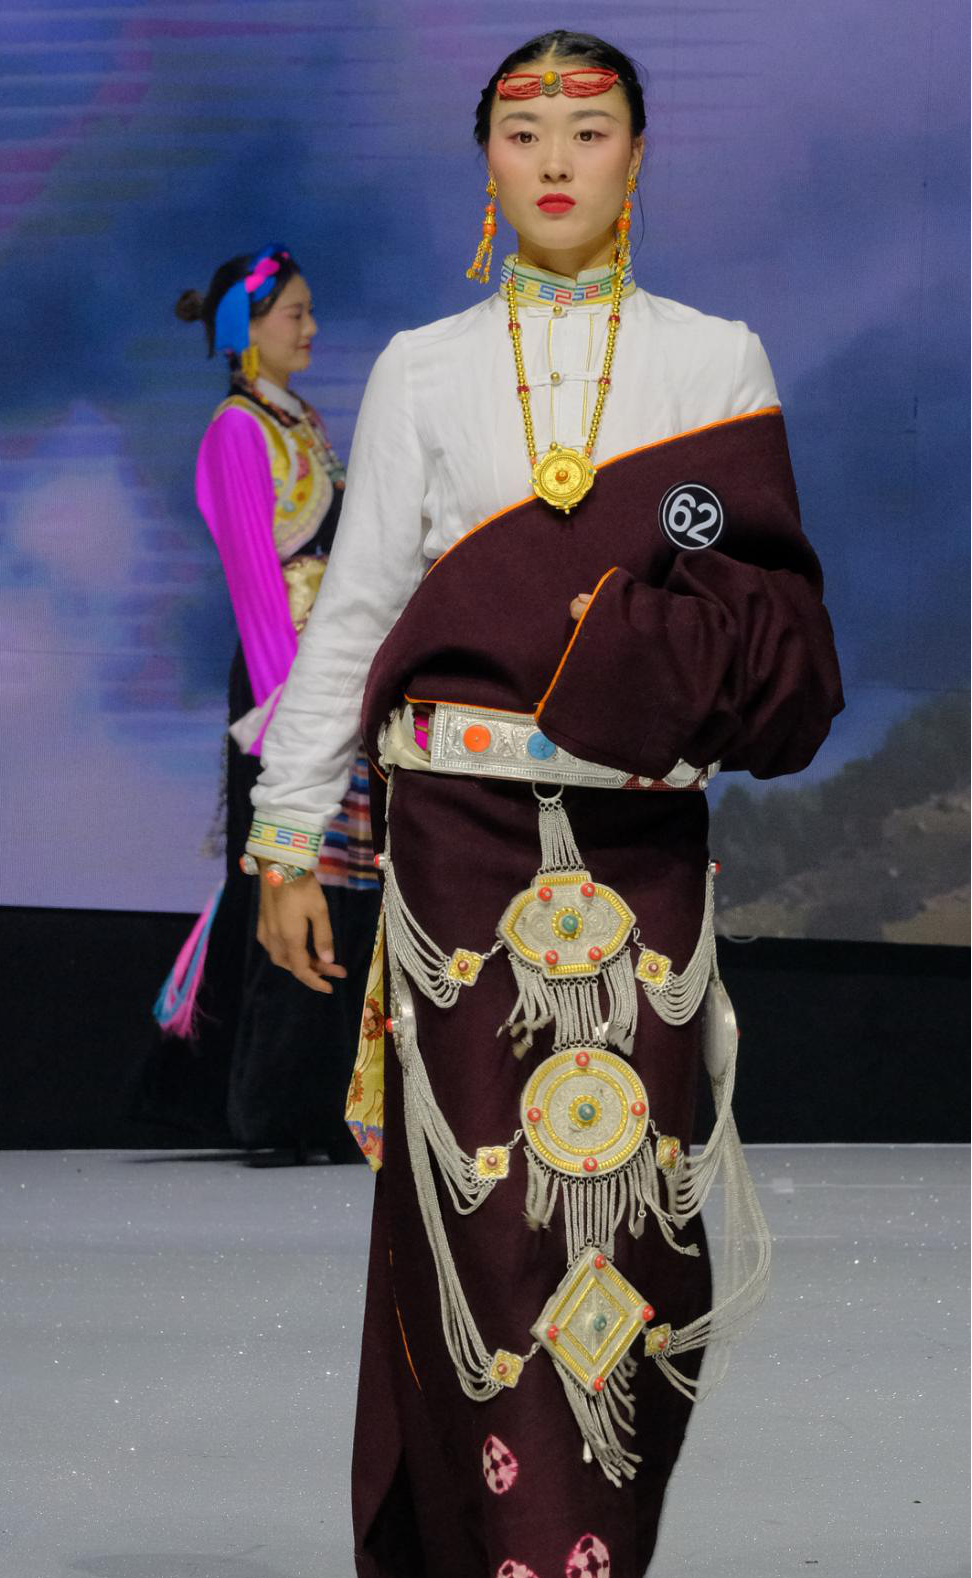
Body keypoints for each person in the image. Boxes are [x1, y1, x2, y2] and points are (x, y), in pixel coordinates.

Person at [245, 33, 843, 1577]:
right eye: (525, 133)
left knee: (630, 1240)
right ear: (487, 162)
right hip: (458, 852)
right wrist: (288, 830)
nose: (558, 159)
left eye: (590, 128)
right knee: (488, 1242)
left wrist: (636, 649)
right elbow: (359, 613)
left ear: (639, 153)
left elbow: (774, 627)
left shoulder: (717, 360)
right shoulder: (423, 368)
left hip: (640, 855)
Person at [143, 244, 380, 1165]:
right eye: (295, 313)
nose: (312, 328)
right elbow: (254, 583)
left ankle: (324, 1100)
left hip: (331, 675)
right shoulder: (237, 431)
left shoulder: (300, 421)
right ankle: (270, 1105)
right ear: (248, 329)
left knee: (343, 881)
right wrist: (293, 717)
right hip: (286, 685)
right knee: (287, 877)